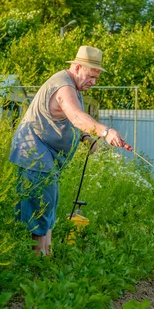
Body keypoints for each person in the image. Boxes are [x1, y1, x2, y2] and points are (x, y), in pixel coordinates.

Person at [9, 45, 127, 256]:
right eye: (91, 76)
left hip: (46, 154)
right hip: (33, 152)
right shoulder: (63, 86)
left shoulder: (74, 87)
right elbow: (76, 116)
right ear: (78, 67)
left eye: (97, 78)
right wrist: (105, 131)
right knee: (40, 208)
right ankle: (37, 262)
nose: (94, 82)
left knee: (48, 205)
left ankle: (47, 255)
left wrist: (87, 138)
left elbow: (72, 122)